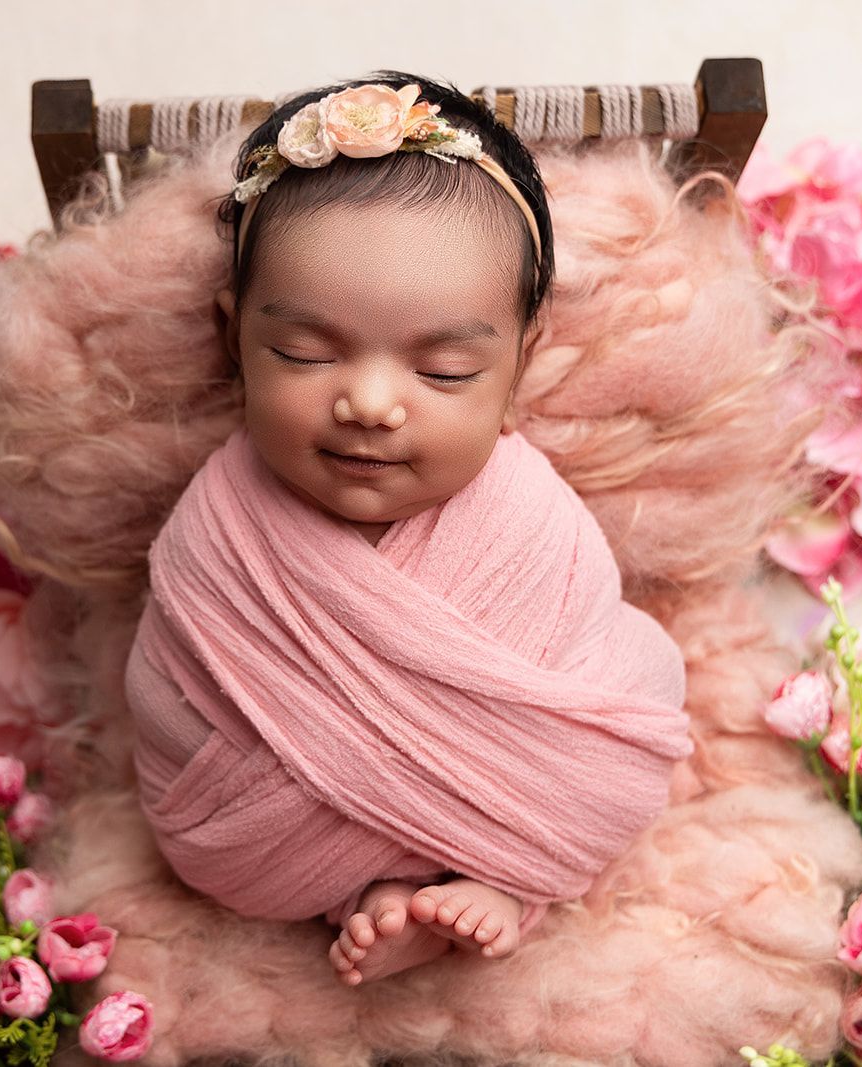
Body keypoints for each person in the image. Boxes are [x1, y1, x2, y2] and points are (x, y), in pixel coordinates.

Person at [123, 71, 692, 988]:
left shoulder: (527, 512)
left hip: (493, 796)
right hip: (264, 835)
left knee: (638, 696)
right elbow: (166, 688)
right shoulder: (218, 528)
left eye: (446, 371)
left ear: (519, 364)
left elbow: (601, 691)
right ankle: (391, 880)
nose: (371, 403)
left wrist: (411, 766)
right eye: (304, 354)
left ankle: (495, 880)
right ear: (232, 337)